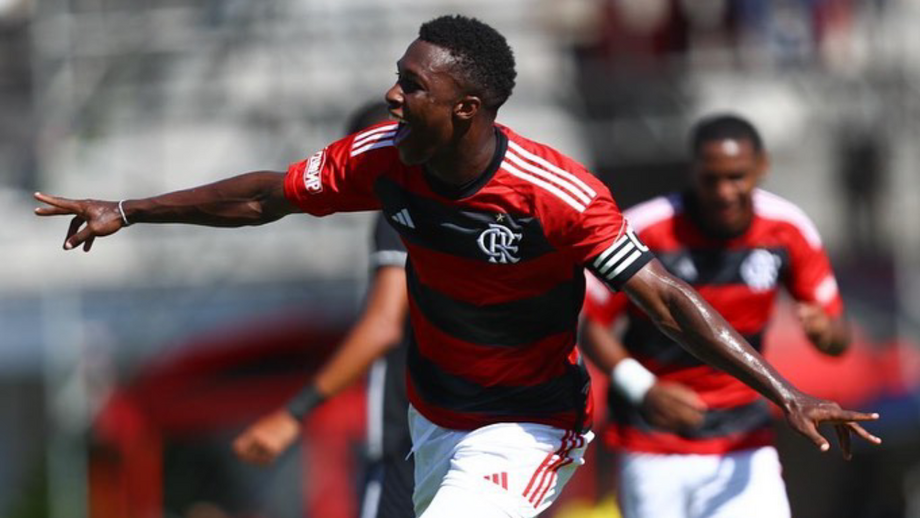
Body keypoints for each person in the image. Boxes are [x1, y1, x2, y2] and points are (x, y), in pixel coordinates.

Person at [34, 15, 879, 518]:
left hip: (531, 421)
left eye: (412, 86)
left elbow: (663, 298)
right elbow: (266, 197)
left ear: (466, 108)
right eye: (397, 80)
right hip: (434, 419)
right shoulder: (381, 158)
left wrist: (786, 392)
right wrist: (129, 209)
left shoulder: (556, 195)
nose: (393, 96)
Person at [579, 114, 852, 518]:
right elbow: (591, 326)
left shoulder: (787, 229)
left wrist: (825, 333)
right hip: (654, 441)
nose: (724, 192)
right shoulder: (645, 229)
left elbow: (839, 338)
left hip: (743, 441)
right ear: (693, 171)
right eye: (711, 179)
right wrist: (643, 388)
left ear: (762, 166)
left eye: (736, 177)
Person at [232, 101, 416, 518]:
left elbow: (383, 324)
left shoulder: (402, 211)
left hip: (410, 445)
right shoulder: (466, 208)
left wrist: (293, 413)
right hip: (472, 440)